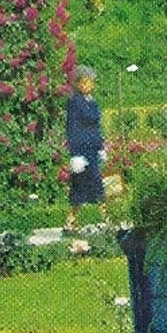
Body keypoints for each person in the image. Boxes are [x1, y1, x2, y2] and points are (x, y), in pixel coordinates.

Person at [65, 65, 105, 231]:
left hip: (93, 148)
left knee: (97, 184)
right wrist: (74, 154)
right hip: (81, 150)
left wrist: (101, 146)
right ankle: (70, 220)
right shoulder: (75, 102)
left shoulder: (92, 101)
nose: (91, 86)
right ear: (79, 84)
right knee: (79, 186)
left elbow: (97, 126)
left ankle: (107, 217)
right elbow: (72, 127)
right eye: (87, 82)